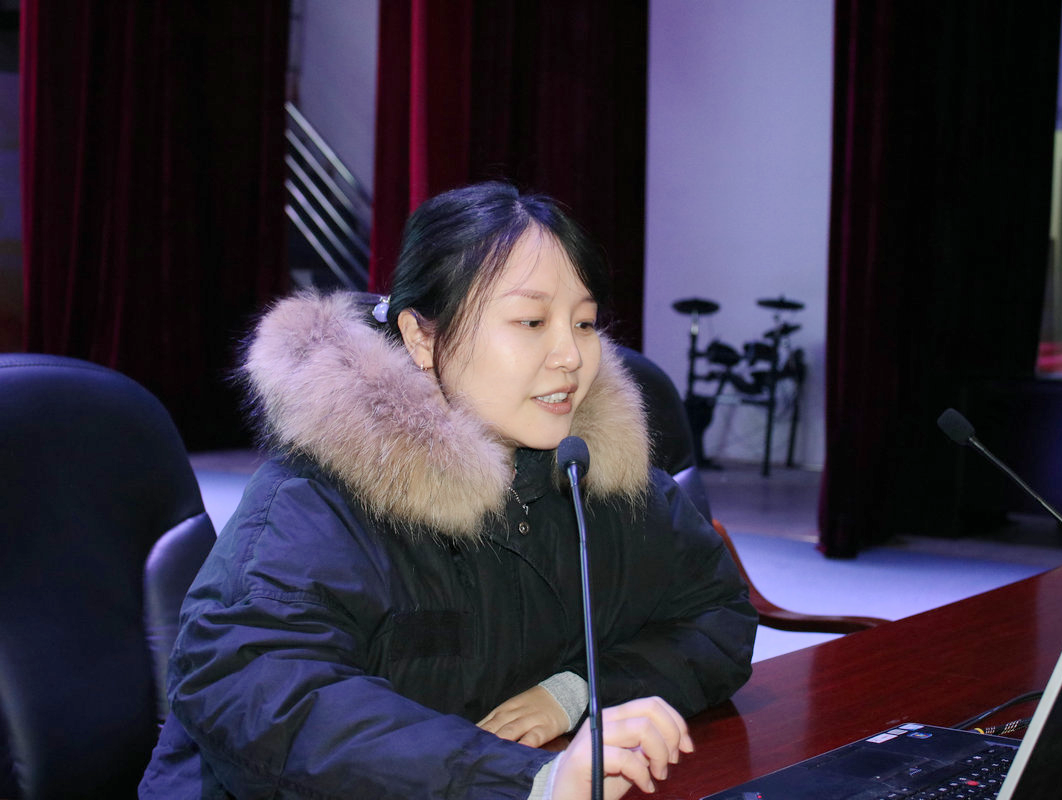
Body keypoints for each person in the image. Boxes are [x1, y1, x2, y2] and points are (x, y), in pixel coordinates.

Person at [139, 182, 757, 799]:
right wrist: (528, 784)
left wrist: (575, 691)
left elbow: (716, 611)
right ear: (422, 337)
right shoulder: (316, 496)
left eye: (585, 322)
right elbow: (262, 695)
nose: (571, 355)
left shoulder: (590, 474)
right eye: (531, 321)